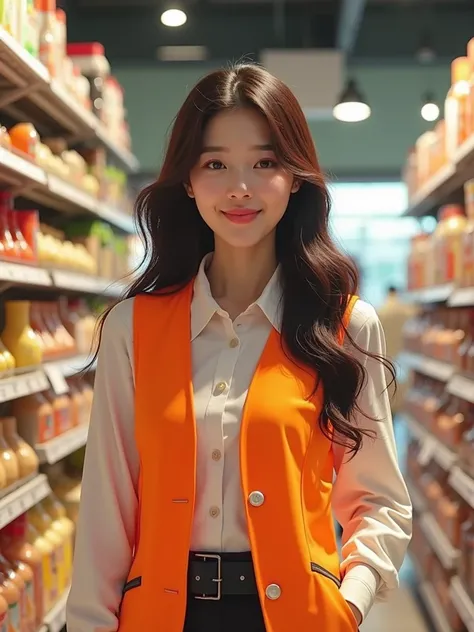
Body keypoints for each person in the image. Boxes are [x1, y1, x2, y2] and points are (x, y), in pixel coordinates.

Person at [66, 64, 412, 632]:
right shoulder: (133, 328)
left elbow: (379, 500)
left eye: (265, 162)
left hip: (300, 616)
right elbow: (108, 509)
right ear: (188, 179)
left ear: (296, 176)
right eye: (216, 164)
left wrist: (348, 604)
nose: (240, 188)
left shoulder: (344, 327)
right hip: (160, 615)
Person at [377, 285, 418, 415]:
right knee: (403, 393)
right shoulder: (407, 310)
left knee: (388, 396)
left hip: (386, 355)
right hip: (404, 355)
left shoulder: (380, 310)